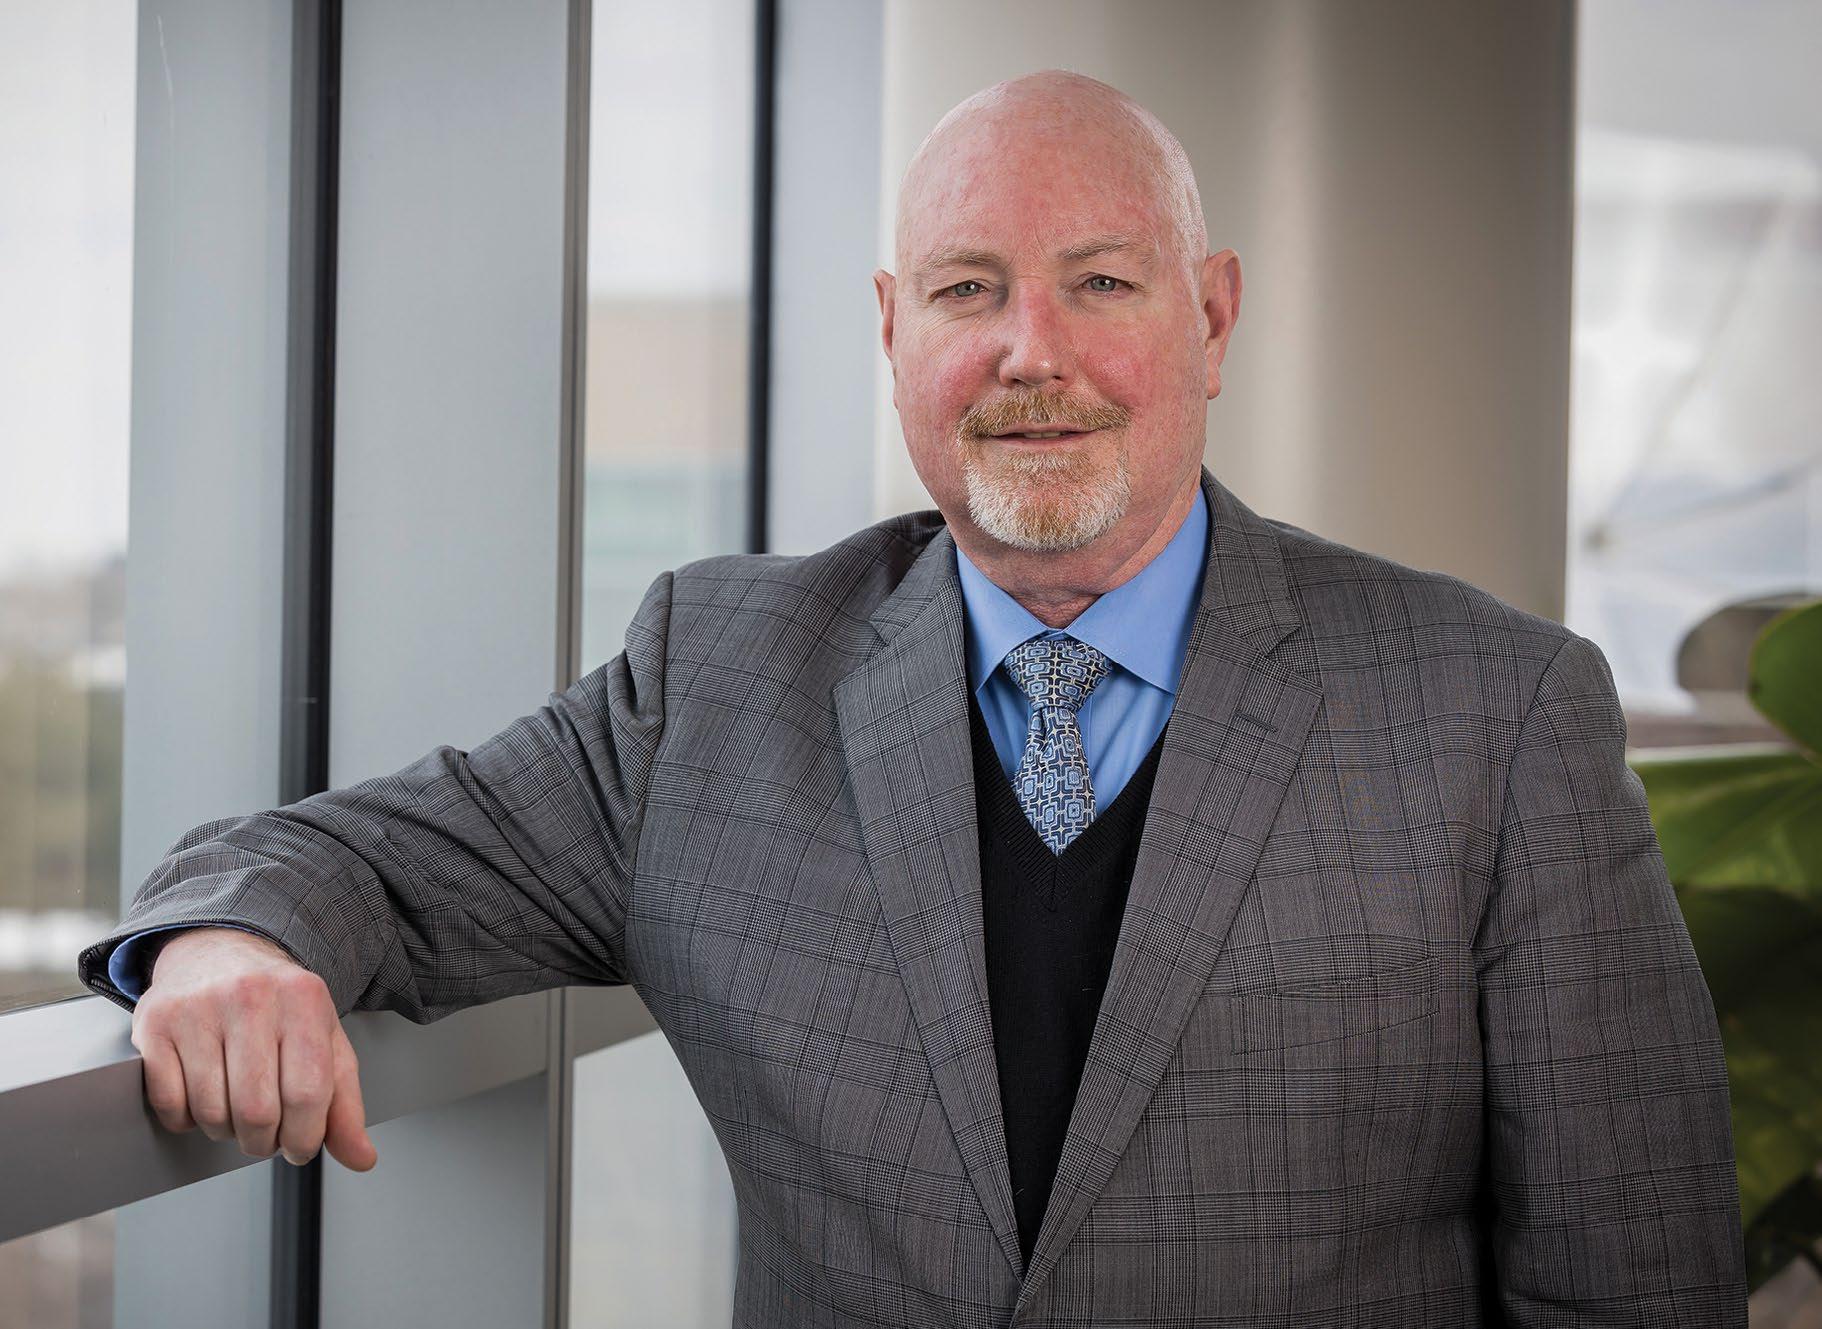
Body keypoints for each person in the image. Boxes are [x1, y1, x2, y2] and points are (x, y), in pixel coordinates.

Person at [77, 70, 1747, 1326]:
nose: (1030, 351)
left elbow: (1634, 1281)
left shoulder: (1493, 713)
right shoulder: (715, 680)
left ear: (1211, 315)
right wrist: (226, 944)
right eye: (966, 289)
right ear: (892, 334)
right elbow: (356, 857)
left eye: (1102, 282)